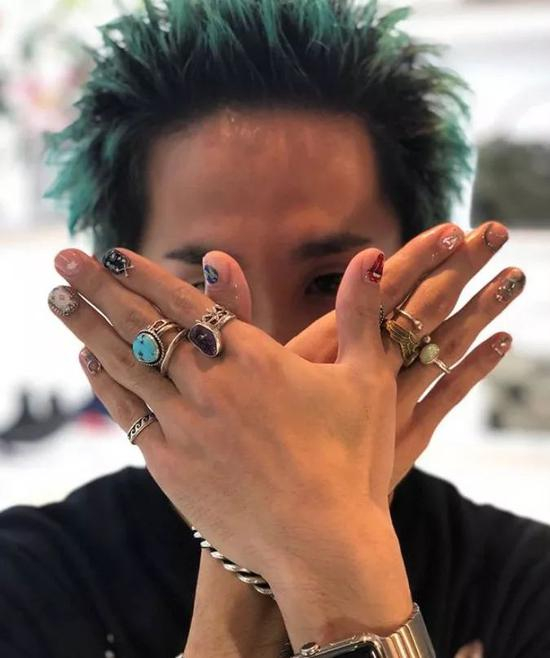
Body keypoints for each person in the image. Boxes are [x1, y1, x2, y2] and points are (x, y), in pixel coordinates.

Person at [1, 1, 549, 657]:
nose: (268, 352)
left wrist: (327, 563)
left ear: (423, 288)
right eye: (202, 290)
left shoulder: (527, 585)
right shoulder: (24, 583)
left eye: (331, 284)